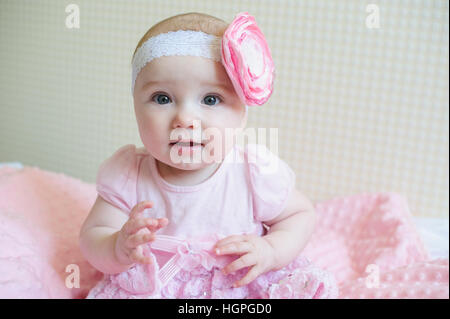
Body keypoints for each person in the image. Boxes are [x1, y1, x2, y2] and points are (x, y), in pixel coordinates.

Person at [79, 11, 338, 299]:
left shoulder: (252, 172)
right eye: (162, 98)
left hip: (236, 286)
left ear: (242, 115)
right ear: (135, 106)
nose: (186, 118)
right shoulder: (129, 175)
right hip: (156, 288)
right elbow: (93, 237)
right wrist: (116, 246)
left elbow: (300, 215)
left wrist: (271, 250)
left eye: (211, 99)